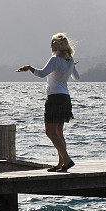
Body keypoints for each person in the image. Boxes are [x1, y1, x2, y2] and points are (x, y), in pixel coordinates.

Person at [17, 33, 79, 172]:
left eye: (53, 43)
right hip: (65, 98)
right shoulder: (69, 59)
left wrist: (29, 67)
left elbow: (41, 74)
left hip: (54, 98)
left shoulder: (55, 59)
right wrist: (70, 66)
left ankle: (67, 161)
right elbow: (77, 77)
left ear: (58, 45)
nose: (50, 45)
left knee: (50, 132)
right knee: (59, 132)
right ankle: (61, 164)